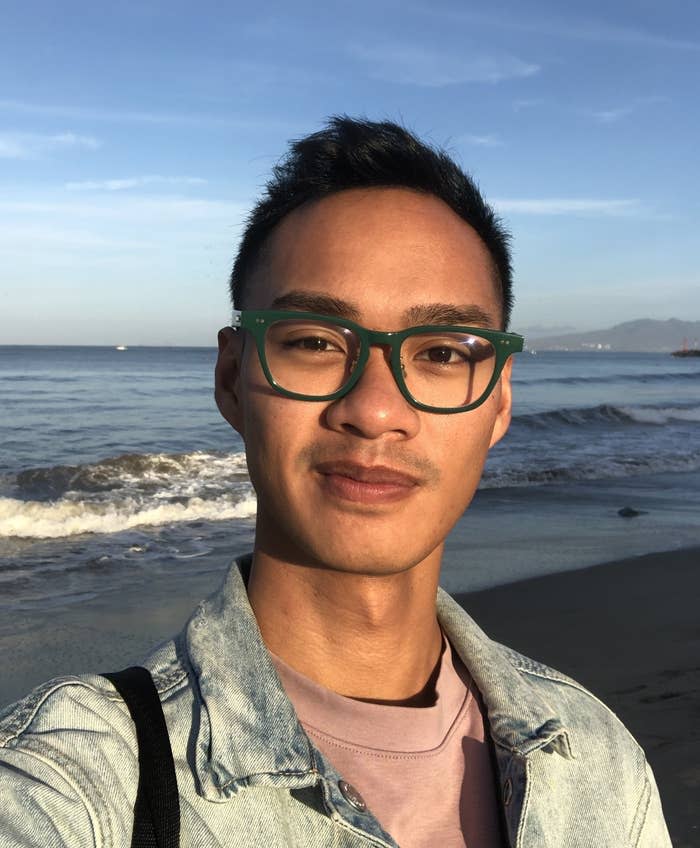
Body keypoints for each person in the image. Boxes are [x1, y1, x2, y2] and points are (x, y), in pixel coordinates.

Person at [0, 117, 670, 847]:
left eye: (443, 352)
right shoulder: (88, 782)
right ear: (233, 379)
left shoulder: (597, 761)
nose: (376, 410)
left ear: (499, 400)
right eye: (316, 342)